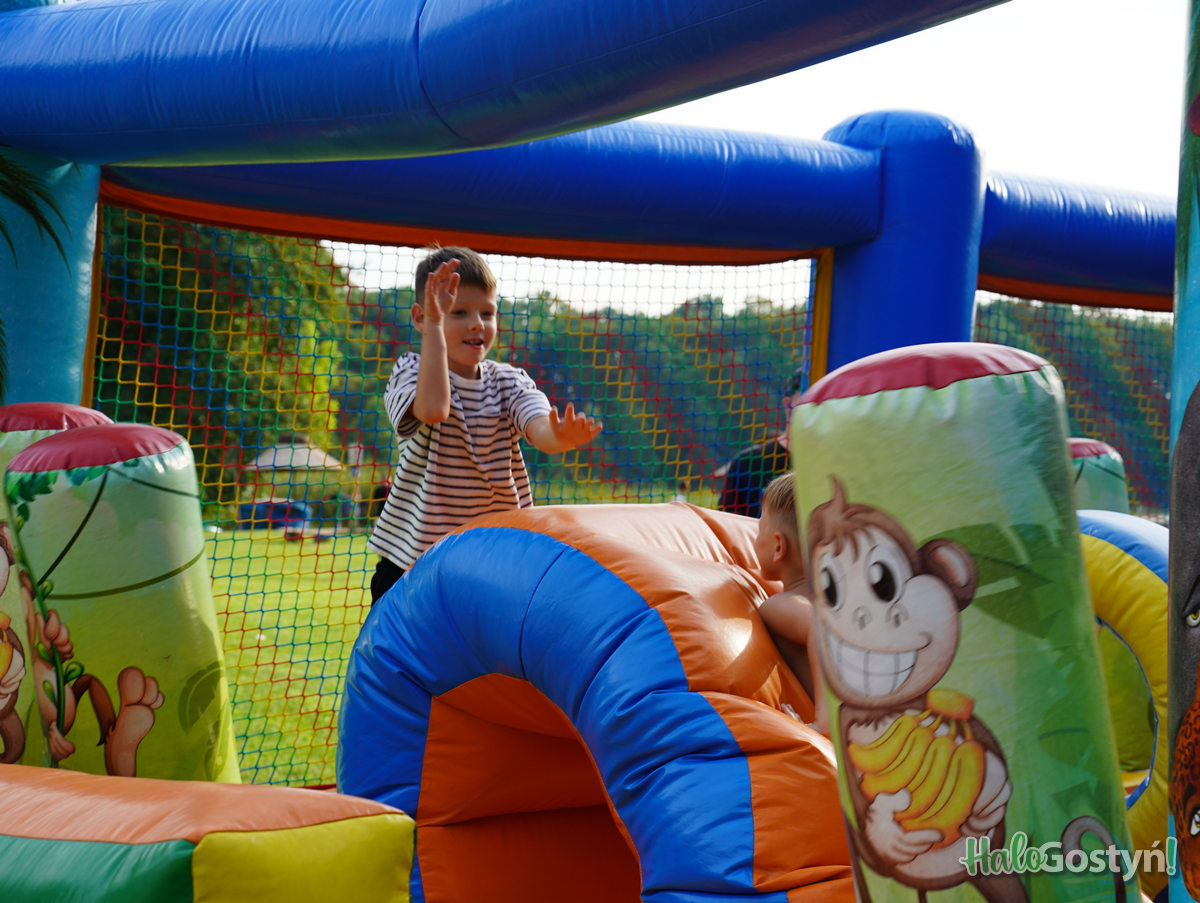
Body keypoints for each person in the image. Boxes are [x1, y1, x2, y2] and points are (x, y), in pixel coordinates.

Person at [367, 246, 603, 604]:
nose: (477, 323)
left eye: (487, 313)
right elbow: (434, 409)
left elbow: (540, 431)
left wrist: (560, 436)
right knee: (397, 642)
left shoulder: (508, 381)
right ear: (420, 317)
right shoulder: (410, 372)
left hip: (491, 560)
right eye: (458, 312)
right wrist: (435, 324)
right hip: (412, 565)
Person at [753, 473, 826, 732]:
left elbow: (822, 627)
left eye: (759, 530)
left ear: (778, 547)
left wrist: (824, 723)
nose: (754, 539)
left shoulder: (779, 606)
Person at [718, 368, 805, 518]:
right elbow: (723, 523)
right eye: (806, 398)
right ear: (787, 403)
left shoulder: (829, 463)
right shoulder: (748, 462)